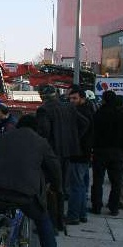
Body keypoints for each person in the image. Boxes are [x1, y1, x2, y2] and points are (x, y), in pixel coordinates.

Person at [0, 114, 65, 247]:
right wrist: (57, 188)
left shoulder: (3, 138)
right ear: (37, 129)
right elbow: (54, 168)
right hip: (26, 194)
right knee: (43, 221)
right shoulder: (41, 142)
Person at [36, 85, 89, 230]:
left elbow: (44, 133)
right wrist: (74, 139)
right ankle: (59, 222)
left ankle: (51, 222)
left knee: (48, 188)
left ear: (42, 96)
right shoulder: (69, 107)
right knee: (61, 188)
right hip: (68, 153)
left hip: (51, 155)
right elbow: (85, 123)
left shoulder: (44, 110)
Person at [91, 90, 123, 216]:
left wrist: (92, 149)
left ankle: (96, 206)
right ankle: (114, 207)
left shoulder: (98, 114)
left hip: (100, 151)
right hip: (117, 152)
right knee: (116, 181)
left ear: (104, 99)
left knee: (98, 180)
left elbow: (93, 133)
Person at [65, 88, 95, 225]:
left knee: (75, 186)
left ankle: (73, 215)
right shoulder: (89, 109)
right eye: (70, 98)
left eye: (75, 98)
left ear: (82, 98)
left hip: (78, 153)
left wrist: (74, 141)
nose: (72, 101)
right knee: (81, 186)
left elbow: (80, 130)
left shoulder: (81, 112)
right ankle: (82, 214)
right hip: (84, 153)